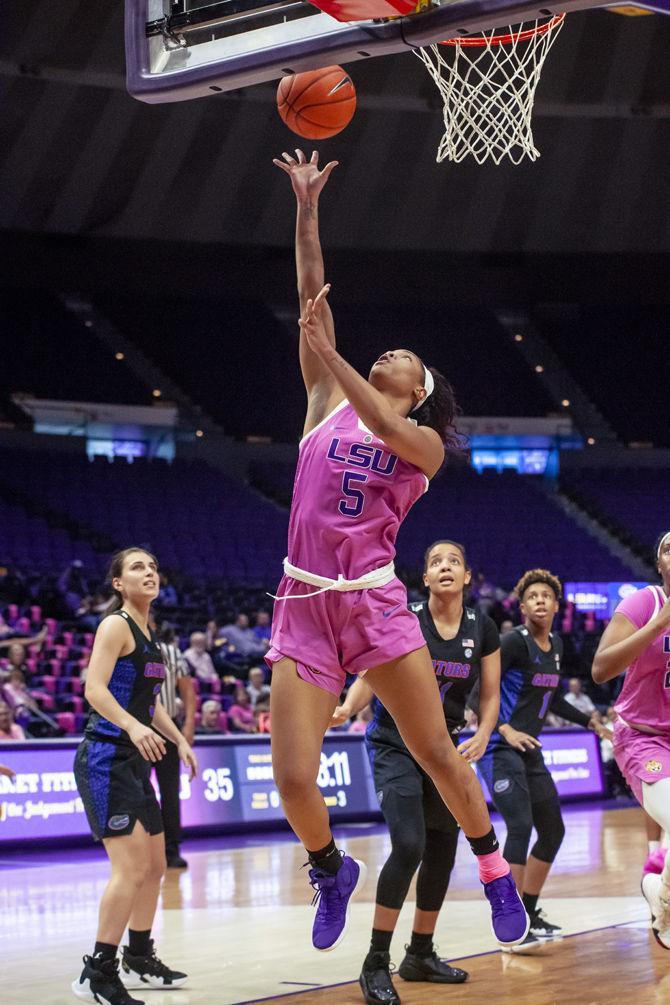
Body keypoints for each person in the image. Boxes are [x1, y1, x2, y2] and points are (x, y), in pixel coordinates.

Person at [265, 147, 527, 956]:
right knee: (292, 778)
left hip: (375, 599)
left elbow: (376, 420)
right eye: (385, 353)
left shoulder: (418, 442)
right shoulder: (322, 402)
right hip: (305, 596)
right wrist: (308, 208)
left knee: (438, 755)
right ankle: (328, 866)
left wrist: (334, 356)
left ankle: (493, 868)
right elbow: (313, 295)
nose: (390, 355)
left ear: (418, 389)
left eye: (403, 360)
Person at [333, 540, 500, 1003]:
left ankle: (420, 953)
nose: (444, 567)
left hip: (442, 749)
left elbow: (490, 693)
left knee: (444, 850)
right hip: (394, 743)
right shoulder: (405, 617)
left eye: (454, 561)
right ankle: (374, 961)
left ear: (467, 576)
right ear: (423, 578)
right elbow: (371, 670)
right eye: (435, 562)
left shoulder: (482, 626)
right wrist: (347, 707)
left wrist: (485, 733)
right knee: (410, 844)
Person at [71, 547, 197, 1005]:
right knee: (130, 869)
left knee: (157, 865)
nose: (150, 573)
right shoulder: (115, 625)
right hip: (106, 758)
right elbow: (94, 689)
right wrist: (132, 725)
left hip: (133, 761)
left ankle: (139, 956)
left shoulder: (148, 632)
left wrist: (179, 739)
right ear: (118, 583)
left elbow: (152, 702)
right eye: (138, 567)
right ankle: (98, 971)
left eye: (154, 567)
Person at [477, 568, 610, 953]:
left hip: (529, 750)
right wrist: (503, 729)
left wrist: (590, 721)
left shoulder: (555, 645)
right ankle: (511, 923)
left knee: (552, 832)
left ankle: (529, 911)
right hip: (499, 747)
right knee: (519, 826)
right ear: (522, 607)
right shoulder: (513, 643)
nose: (539, 600)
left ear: (555, 605)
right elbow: (478, 688)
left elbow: (552, 698)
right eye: (531, 596)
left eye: (545, 596)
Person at [592, 531, 670, 948]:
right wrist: (658, 625)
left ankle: (660, 888)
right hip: (643, 736)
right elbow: (601, 669)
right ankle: (661, 892)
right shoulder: (645, 603)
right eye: (668, 549)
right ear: (658, 565)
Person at [155, 623, 196, 870]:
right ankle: (145, 851)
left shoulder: (171, 653)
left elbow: (188, 692)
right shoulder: (127, 647)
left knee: (170, 792)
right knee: (140, 793)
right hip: (137, 727)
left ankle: (171, 850)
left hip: (168, 725)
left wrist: (189, 725)